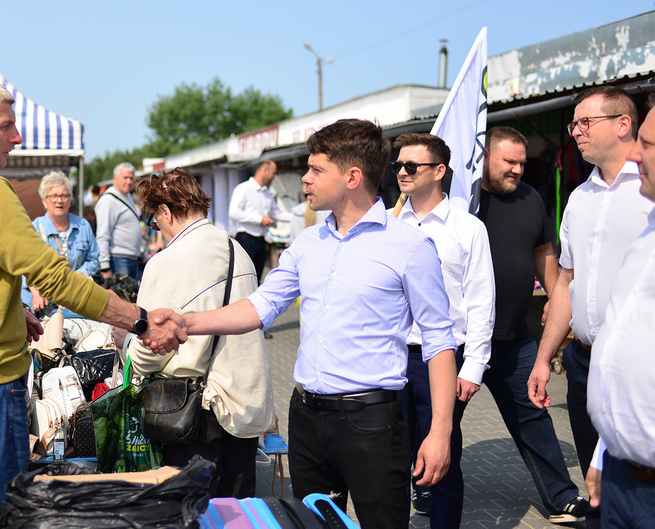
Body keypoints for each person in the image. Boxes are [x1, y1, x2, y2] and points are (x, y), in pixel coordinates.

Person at [0, 77, 185, 509]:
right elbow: (55, 279)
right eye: (6, 126)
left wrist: (10, 310)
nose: (17, 137)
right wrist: (139, 320)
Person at [175, 119, 458, 528]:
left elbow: (439, 341)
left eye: (315, 169)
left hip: (372, 425)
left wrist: (440, 432)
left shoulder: (410, 247)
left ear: (352, 177)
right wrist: (185, 322)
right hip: (306, 419)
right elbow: (260, 307)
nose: (305, 178)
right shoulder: (308, 243)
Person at [528, 87, 650, 526]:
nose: (576, 131)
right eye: (573, 123)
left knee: (641, 491)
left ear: (623, 125)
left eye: (586, 122)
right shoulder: (580, 198)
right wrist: (544, 357)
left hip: (640, 370)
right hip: (583, 365)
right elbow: (566, 282)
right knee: (595, 485)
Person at [119, 168, 274, 498]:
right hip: (245, 404)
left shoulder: (165, 262)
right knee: (236, 510)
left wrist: (129, 348)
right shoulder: (238, 250)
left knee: (192, 509)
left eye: (155, 220)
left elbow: (149, 350)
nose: (158, 228)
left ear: (165, 211)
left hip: (196, 414)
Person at [476, 126, 588, 524]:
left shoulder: (531, 197)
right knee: (439, 422)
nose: (518, 170)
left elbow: (544, 252)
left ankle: (561, 497)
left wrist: (557, 297)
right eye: (509, 162)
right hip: (460, 342)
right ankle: (427, 488)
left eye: (522, 163)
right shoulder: (460, 201)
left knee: (534, 415)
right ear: (485, 157)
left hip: (513, 338)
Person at [393, 133, 495, 529]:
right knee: (391, 455)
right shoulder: (387, 225)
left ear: (439, 172)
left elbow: (481, 299)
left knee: (441, 453)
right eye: (398, 165)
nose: (402, 172)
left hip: (443, 357)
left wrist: (474, 367)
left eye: (411, 165)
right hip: (393, 355)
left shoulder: (468, 228)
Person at [585, 89, 655, 528]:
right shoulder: (651, 230)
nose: (634, 155)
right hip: (620, 476)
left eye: (647, 144)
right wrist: (605, 450)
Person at [21, 170, 100, 315]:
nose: (59, 200)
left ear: (70, 199)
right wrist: (36, 293)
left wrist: (80, 274)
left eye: (64, 195)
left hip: (74, 300)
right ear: (44, 201)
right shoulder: (34, 228)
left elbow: (94, 259)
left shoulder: (83, 225)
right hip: (41, 304)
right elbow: (25, 266)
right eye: (53, 196)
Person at [229, 159, 291, 280]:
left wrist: (300, 215)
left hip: (261, 241)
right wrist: (259, 219)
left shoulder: (267, 193)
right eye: (273, 173)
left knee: (256, 280)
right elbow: (233, 213)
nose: (274, 177)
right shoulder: (243, 188)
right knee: (243, 279)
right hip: (245, 239)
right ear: (265, 170)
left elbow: (277, 214)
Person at [96, 162, 143, 279]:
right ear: (115, 179)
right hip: (118, 259)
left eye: (131, 178)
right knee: (122, 291)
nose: (129, 181)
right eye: (125, 178)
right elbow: (102, 235)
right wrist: (105, 266)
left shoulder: (127, 196)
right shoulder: (108, 200)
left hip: (130, 258)